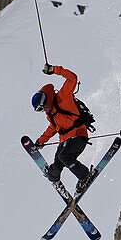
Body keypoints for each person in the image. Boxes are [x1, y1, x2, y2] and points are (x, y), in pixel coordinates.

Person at [31, 63, 92, 193]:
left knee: (64, 157)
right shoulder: (51, 113)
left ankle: (84, 175)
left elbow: (72, 79)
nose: (42, 111)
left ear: (45, 101)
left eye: (41, 108)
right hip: (65, 140)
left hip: (78, 135)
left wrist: (54, 70)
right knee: (58, 163)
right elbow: (52, 128)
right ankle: (54, 178)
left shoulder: (63, 97)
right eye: (39, 110)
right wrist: (41, 141)